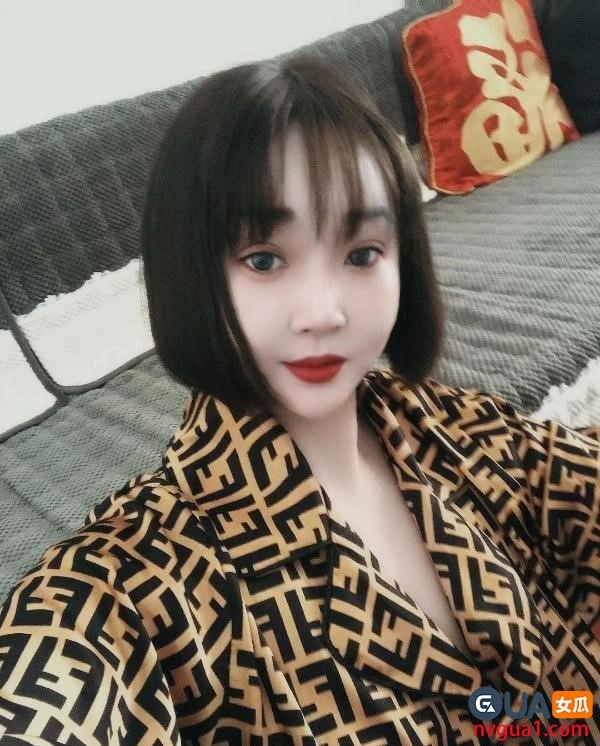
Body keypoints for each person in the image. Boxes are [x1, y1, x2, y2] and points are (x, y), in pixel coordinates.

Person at [0, 56, 598, 746]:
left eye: (362, 253)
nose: (323, 313)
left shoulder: (456, 427)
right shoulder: (137, 577)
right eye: (263, 259)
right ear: (191, 272)